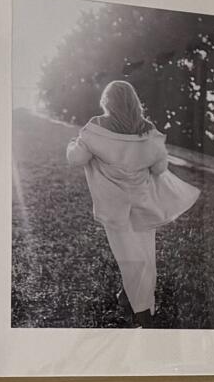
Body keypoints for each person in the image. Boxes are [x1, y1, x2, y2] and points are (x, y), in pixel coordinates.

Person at [63, 80, 198, 326]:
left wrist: (73, 144)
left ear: (107, 101)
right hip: (143, 203)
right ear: (134, 102)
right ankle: (132, 299)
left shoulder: (97, 126)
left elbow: (76, 159)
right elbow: (159, 168)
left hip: (114, 205)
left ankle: (141, 312)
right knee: (145, 256)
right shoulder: (147, 129)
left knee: (130, 258)